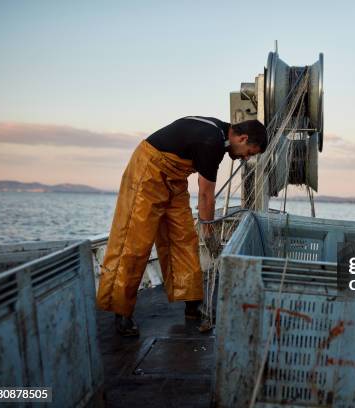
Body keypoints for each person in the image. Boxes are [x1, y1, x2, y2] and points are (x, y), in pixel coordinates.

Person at [96, 116, 268, 336]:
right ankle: (121, 312)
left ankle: (192, 302)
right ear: (242, 138)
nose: (246, 158)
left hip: (175, 178)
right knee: (134, 241)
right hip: (147, 171)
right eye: (250, 152)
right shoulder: (212, 143)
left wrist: (203, 231)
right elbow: (206, 196)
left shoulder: (221, 134)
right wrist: (208, 232)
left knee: (184, 236)